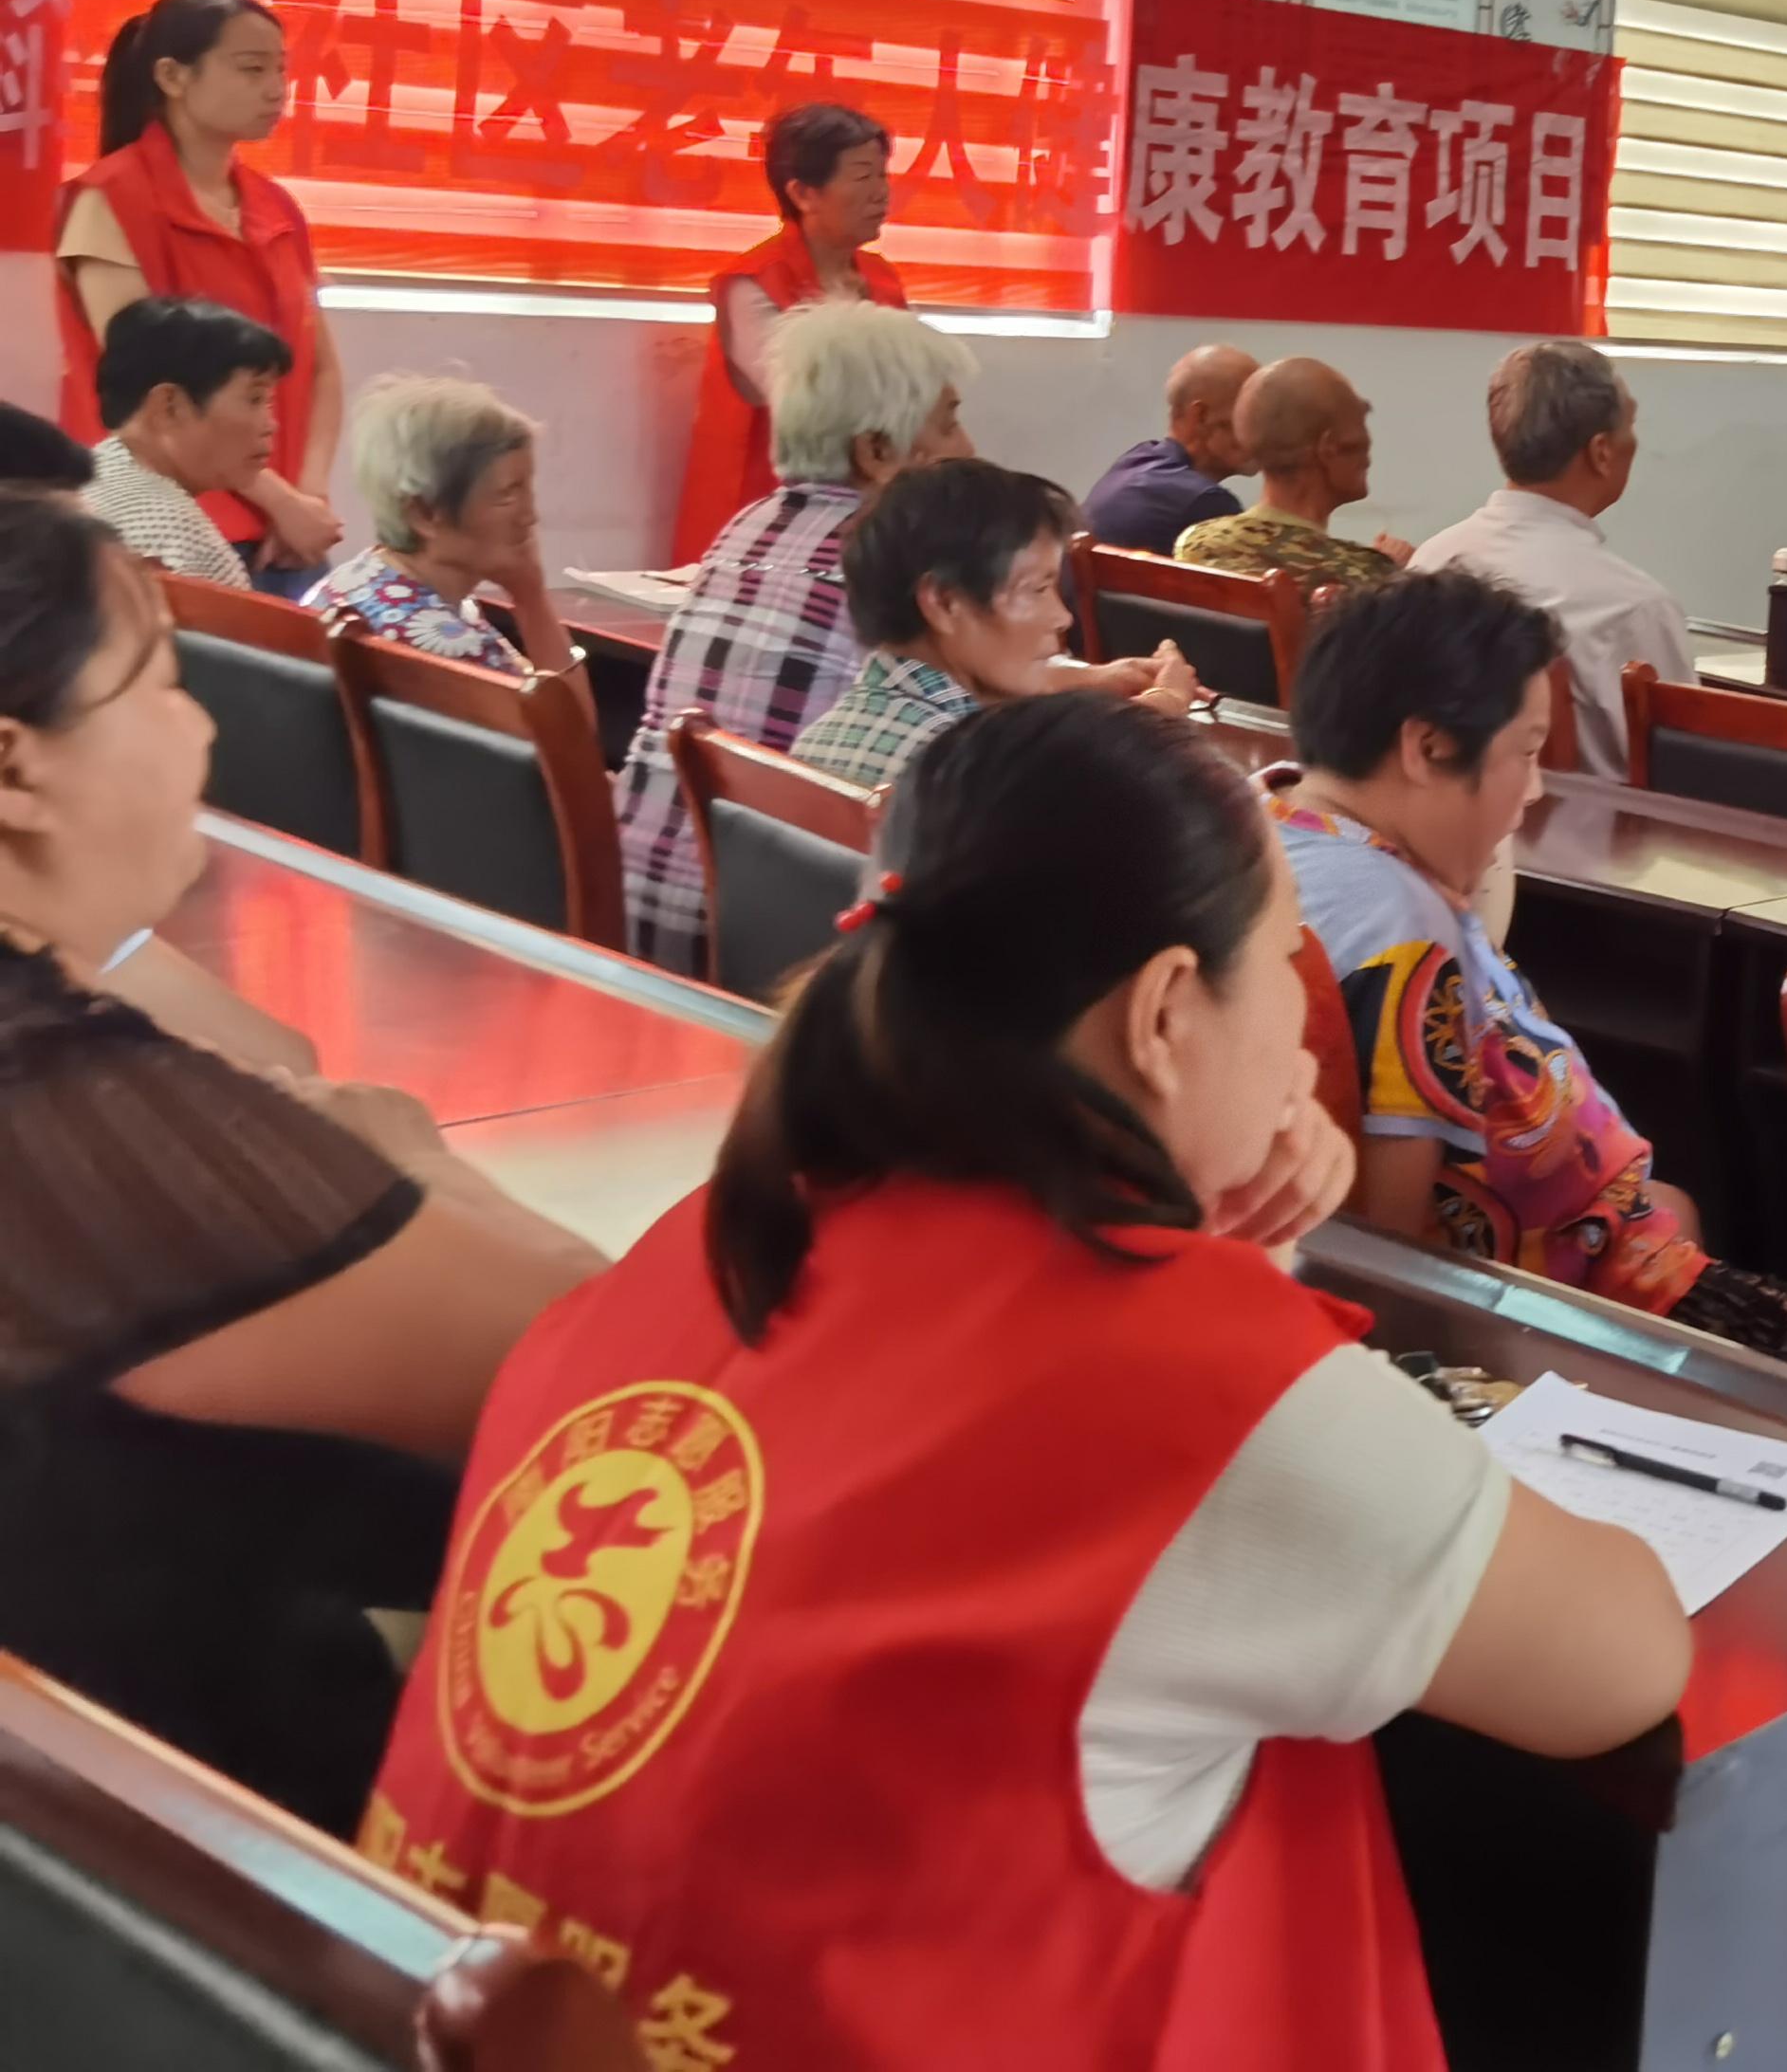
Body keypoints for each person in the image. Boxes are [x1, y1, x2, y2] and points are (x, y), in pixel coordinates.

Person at [365, 696, 1690, 2068]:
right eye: (1281, 962)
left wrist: (1217, 1255)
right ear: (1165, 1013)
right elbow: (1619, 1662)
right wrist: (1229, 1296)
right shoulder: (1202, 1397)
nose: (1307, 1048)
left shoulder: (699, 1251)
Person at [0, 495, 599, 1828]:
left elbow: (262, 1052)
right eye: (159, 683)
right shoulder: (72, 1117)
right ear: (15, 770)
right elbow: (608, 1371)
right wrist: (408, 1154)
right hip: (219, 1869)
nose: (203, 729)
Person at [1271, 572, 1787, 1357]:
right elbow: (1392, 1261)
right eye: (1525, 752)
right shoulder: (1404, 931)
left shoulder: (1269, 826)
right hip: (1565, 1324)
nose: (1532, 790)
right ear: (1426, 749)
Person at [615, 303, 974, 970]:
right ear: (877, 452)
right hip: (767, 950)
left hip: (640, 913)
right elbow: (970, 728)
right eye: (949, 423)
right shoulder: (890, 565)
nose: (969, 450)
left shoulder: (745, 529)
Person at [56, 0, 344, 576]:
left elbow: (320, 369)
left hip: (286, 532)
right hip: (165, 528)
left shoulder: (277, 208)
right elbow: (152, 390)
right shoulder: (109, 200)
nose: (276, 89)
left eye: (281, 70)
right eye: (251, 69)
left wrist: (308, 498)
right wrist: (281, 501)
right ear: (172, 76)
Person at [793, 459, 1194, 793]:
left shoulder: (820, 739)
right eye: (1038, 589)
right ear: (944, 602)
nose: (1062, 617)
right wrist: (1164, 709)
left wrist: (1087, 680)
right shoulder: (984, 776)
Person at [1409, 340, 1692, 774]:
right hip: (1591, 821)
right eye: (1631, 424)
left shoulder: (1430, 562)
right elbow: (1684, 774)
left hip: (1432, 811)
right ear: (1601, 452)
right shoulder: (1635, 608)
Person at [666, 101, 912, 562]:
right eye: (863, 177)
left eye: (883, 175)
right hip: (766, 512)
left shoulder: (883, 279)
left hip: (866, 506)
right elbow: (806, 403)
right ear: (803, 193)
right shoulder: (754, 283)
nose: (882, 193)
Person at [309, 375, 579, 679]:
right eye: (507, 494)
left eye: (527, 489)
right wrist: (532, 598)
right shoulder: (453, 648)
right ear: (423, 514)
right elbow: (572, 711)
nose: (530, 516)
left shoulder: (351, 583)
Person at [83, 296, 293, 595]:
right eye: (254, 399)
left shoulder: (74, 489)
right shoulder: (174, 537)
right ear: (169, 406)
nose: (271, 425)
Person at [1177, 357, 1410, 595]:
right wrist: (1401, 574)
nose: (1367, 454)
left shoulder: (1196, 544)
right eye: (1359, 426)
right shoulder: (1368, 577)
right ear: (1328, 447)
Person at [1080, 343, 1255, 556]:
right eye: (1249, 413)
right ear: (1201, 416)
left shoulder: (1136, 460)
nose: (1263, 427)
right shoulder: (1206, 504)